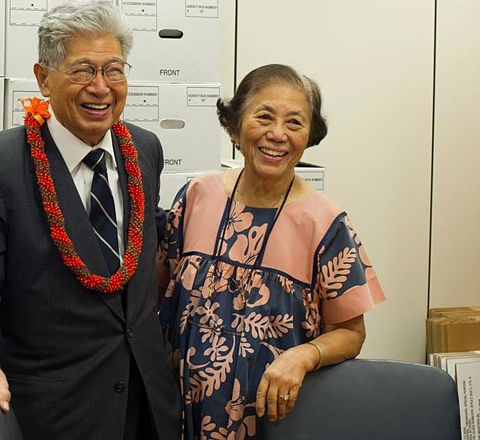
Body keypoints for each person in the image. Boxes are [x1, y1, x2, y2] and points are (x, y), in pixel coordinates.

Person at [0, 1, 181, 439]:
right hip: (56, 413)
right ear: (44, 77)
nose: (100, 87)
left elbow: (147, 246)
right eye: (83, 70)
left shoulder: (145, 149)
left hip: (148, 405)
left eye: (114, 70)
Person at [157, 64, 386, 439]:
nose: (277, 134)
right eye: (264, 116)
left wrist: (302, 356)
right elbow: (159, 295)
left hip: (274, 421)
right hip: (177, 414)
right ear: (235, 126)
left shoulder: (326, 223)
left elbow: (350, 333)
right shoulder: (198, 194)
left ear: (309, 136)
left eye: (295, 123)